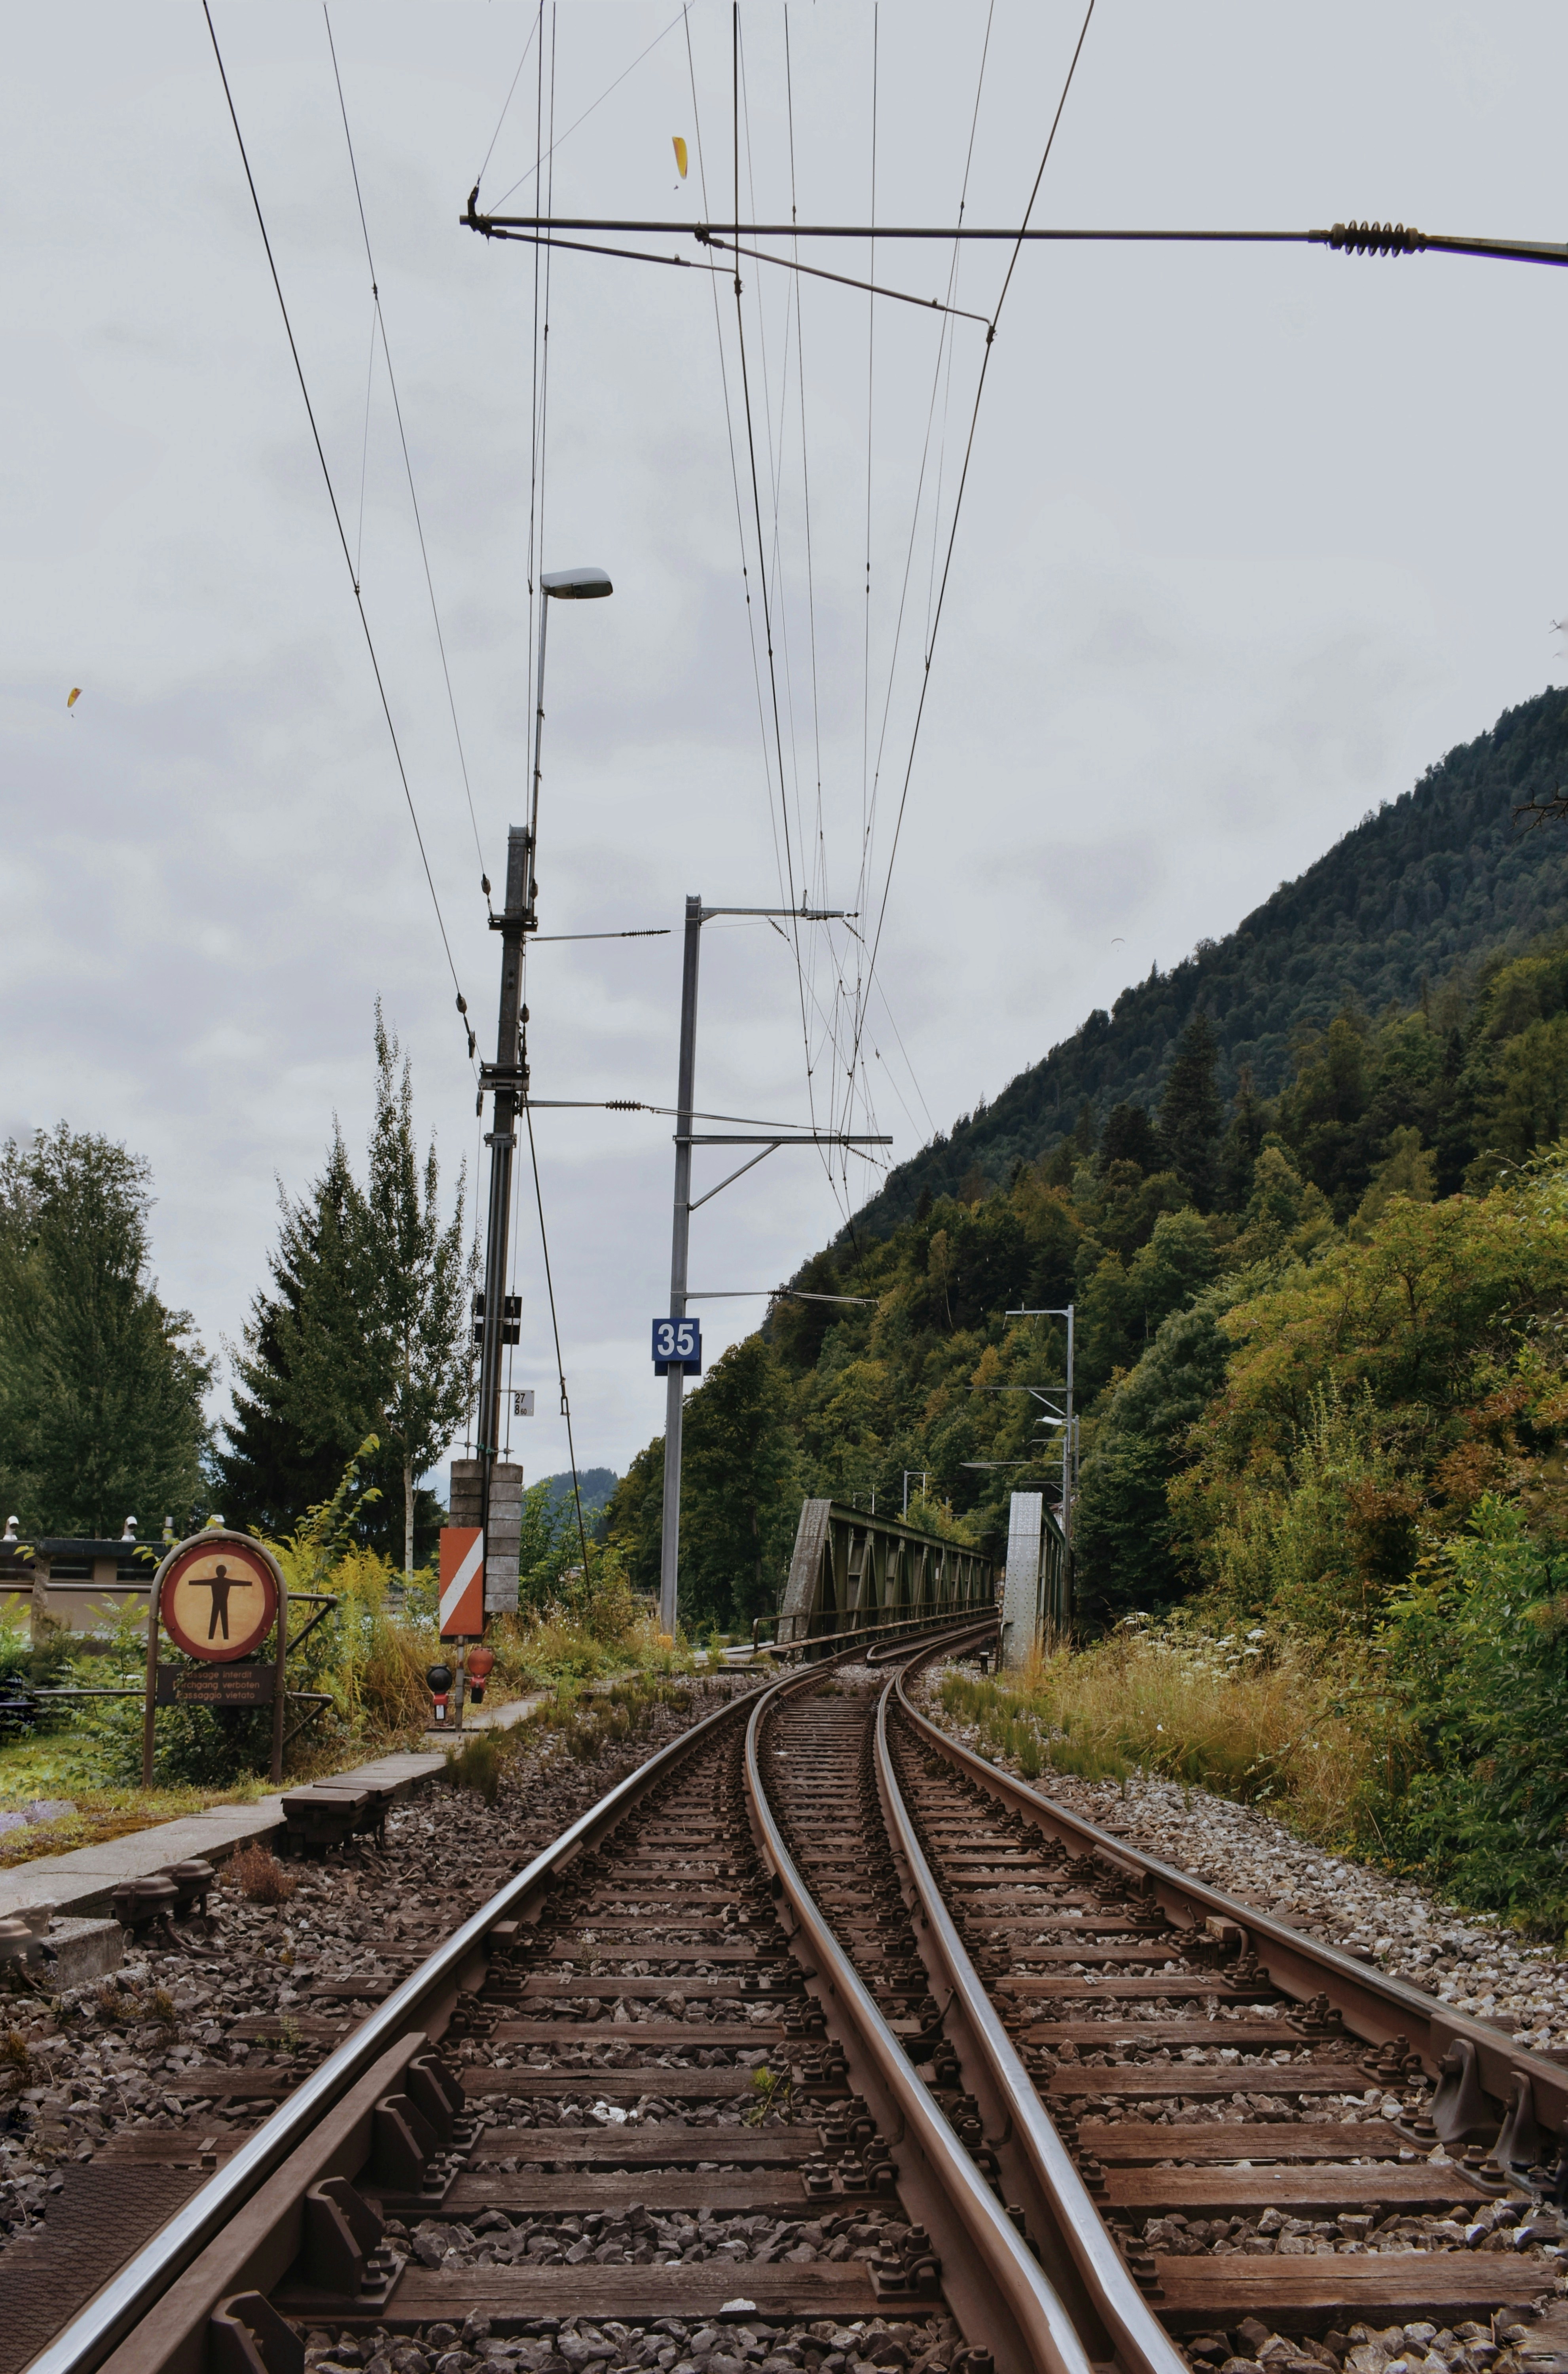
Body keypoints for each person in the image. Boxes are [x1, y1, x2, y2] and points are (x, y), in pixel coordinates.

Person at [190, 1561, 254, 1643]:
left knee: (220, 1620)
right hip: (219, 1603)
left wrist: (250, 1583)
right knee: (221, 1620)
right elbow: (201, 1582)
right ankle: (219, 1639)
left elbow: (240, 1583)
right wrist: (190, 1582)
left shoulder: (217, 1581)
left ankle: (219, 1639)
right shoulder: (225, 1581)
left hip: (220, 1603)